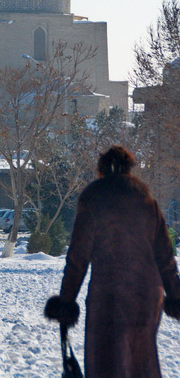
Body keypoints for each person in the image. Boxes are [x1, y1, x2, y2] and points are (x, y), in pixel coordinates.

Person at [44, 145, 180, 377]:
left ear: (101, 171)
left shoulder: (93, 200)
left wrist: (66, 302)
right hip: (146, 298)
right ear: (129, 170)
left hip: (108, 297)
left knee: (105, 363)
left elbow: (77, 259)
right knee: (141, 361)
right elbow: (166, 258)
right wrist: (176, 296)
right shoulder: (148, 202)